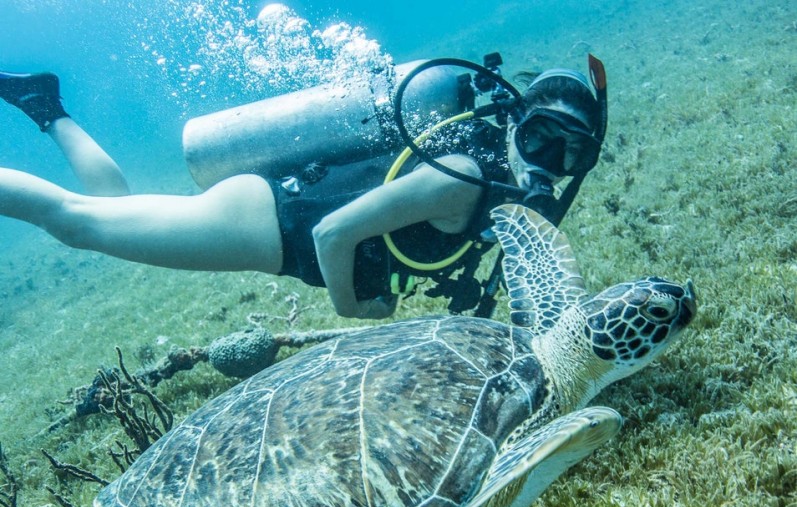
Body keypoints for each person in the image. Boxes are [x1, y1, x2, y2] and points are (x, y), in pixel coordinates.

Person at [0, 59, 605, 320]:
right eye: (541, 136)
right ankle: (43, 105)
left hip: (271, 215)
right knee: (76, 224)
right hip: (266, 225)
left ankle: (44, 105)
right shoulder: (467, 179)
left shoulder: (491, 177)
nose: (549, 161)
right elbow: (333, 231)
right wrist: (349, 304)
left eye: (572, 151)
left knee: (106, 214)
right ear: (515, 122)